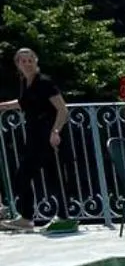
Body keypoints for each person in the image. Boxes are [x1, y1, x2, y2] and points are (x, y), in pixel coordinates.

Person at [0, 50, 72, 229]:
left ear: (36, 61)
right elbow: (24, 103)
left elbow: (62, 109)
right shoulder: (25, 82)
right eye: (23, 61)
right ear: (18, 64)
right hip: (35, 135)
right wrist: (3, 106)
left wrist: (56, 131)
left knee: (31, 175)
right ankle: (32, 217)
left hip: (47, 135)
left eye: (30, 60)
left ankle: (37, 217)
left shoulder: (45, 82)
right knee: (43, 176)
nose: (27, 63)